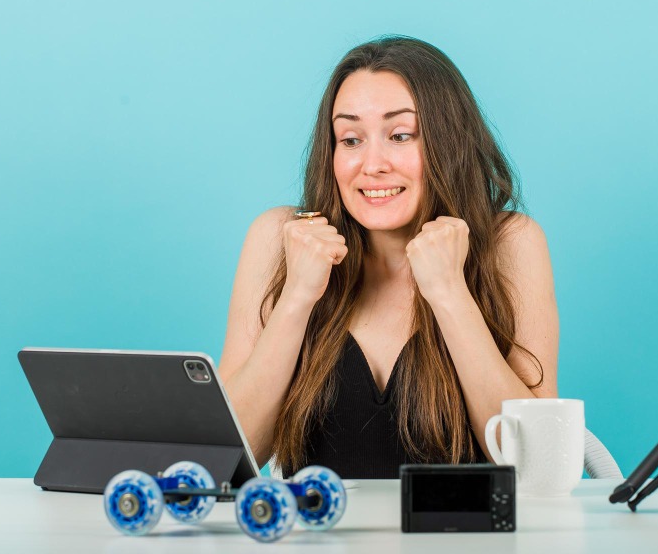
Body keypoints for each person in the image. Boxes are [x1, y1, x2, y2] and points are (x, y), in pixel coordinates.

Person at [218, 36, 560, 479]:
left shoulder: (510, 243)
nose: (372, 164)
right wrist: (298, 297)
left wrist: (450, 294)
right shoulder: (278, 238)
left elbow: (536, 467)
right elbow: (229, 460)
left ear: (447, 142)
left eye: (400, 135)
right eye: (351, 139)